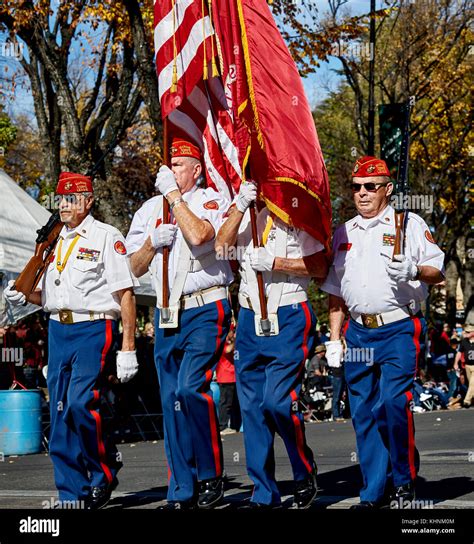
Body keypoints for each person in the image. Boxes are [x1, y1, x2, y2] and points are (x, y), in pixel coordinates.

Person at [4, 171, 139, 509]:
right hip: (57, 329)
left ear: (88, 201)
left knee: (80, 402)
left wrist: (128, 347)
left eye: (71, 199)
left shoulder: (106, 236)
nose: (63, 205)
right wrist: (25, 297)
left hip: (93, 329)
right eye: (61, 199)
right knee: (61, 411)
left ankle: (103, 469)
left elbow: (125, 293)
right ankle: (71, 492)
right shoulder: (52, 243)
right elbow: (52, 297)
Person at [321, 156, 445, 509]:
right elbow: (335, 292)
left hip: (398, 328)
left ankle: (404, 481)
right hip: (359, 332)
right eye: (357, 187)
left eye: (370, 187)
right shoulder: (343, 232)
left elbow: (439, 271)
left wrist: (415, 269)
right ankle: (373, 490)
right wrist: (334, 339)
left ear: (387, 190)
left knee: (393, 403)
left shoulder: (408, 224)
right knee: (363, 412)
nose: (362, 193)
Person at [126, 138, 232, 510]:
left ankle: (211, 472)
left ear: (197, 170)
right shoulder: (148, 209)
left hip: (205, 307)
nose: (172, 172)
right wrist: (151, 244)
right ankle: (181, 487)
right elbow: (133, 268)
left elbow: (202, 237)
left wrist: (174, 198)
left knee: (190, 388)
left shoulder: (210, 199)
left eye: (180, 165)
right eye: (169, 166)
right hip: (167, 311)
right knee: (171, 399)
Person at [215, 181, 328, 509]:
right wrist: (239, 205)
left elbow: (320, 267)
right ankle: (263, 492)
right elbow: (221, 249)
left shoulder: (299, 212)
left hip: (289, 312)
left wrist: (277, 263)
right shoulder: (245, 214)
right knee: (251, 409)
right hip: (250, 317)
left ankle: (302, 468)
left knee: (279, 402)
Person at [216, 324, 241, 435]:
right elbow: (227, 350)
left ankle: (235, 425)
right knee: (225, 402)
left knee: (235, 403)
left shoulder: (231, 343)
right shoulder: (222, 343)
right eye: (232, 331)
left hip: (234, 376)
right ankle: (223, 426)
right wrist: (237, 340)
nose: (233, 333)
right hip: (225, 377)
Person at [455, 323, 474, 408]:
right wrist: (455, 363)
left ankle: (466, 401)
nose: (466, 333)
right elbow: (459, 353)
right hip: (467, 366)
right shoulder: (464, 342)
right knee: (471, 384)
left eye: (468, 332)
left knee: (473, 384)